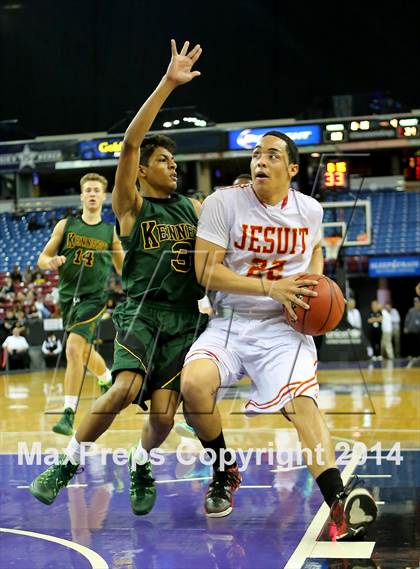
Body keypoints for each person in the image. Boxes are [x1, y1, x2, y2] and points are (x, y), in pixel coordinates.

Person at [29, 39, 206, 516]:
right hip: (141, 313)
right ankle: (69, 462)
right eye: (164, 161)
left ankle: (141, 460)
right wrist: (169, 83)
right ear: (142, 171)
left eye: (174, 161)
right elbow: (130, 142)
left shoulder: (194, 207)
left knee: (166, 417)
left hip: (183, 318)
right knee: (125, 388)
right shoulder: (131, 206)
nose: (173, 166)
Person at [180, 130, 377, 540]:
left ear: (291, 169)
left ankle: (338, 503)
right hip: (231, 321)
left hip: (282, 329)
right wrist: (272, 288)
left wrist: (311, 289)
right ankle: (223, 469)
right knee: (194, 386)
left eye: (271, 155)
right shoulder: (223, 202)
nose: (260, 162)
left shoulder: (310, 211)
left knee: (303, 405)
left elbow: (316, 252)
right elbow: (205, 271)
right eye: (255, 155)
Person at [35, 172, 125, 435]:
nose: (93, 194)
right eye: (89, 190)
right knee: (82, 350)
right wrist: (49, 262)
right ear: (82, 195)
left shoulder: (110, 232)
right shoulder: (66, 225)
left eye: (97, 190)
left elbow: (123, 270)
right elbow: (43, 257)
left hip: (94, 298)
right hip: (67, 297)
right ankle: (106, 377)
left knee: (74, 348)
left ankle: (68, 413)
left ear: (104, 196)